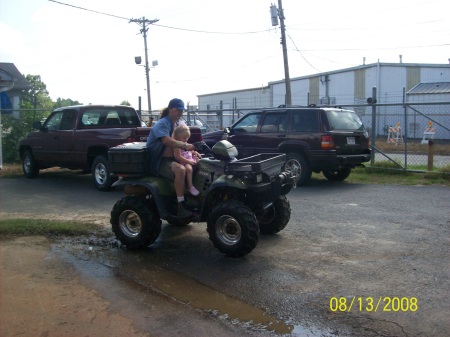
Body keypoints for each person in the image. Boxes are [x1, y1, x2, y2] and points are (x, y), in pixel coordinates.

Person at [146, 98, 195, 217]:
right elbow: (166, 140)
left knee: (198, 165)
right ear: (171, 109)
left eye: (182, 111)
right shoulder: (162, 123)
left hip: (173, 158)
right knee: (180, 170)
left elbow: (183, 139)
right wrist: (184, 145)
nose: (180, 113)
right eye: (178, 110)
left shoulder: (177, 124)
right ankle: (180, 205)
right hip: (160, 161)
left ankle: (193, 198)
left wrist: (193, 151)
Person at [172, 124, 201, 196]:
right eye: (184, 138)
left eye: (187, 138)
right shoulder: (177, 146)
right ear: (178, 137)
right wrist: (189, 161)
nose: (186, 140)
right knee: (189, 168)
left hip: (190, 159)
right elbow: (178, 157)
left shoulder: (185, 143)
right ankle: (190, 186)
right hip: (184, 162)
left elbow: (189, 151)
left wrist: (195, 152)